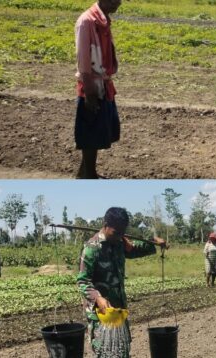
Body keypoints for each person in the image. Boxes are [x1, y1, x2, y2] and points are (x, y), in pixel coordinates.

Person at [77, 207, 166, 357]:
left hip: (119, 310)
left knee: (122, 349)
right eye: (116, 232)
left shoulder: (119, 243)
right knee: (105, 351)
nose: (119, 236)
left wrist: (154, 243)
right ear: (105, 225)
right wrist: (98, 297)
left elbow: (135, 249)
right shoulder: (92, 249)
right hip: (101, 314)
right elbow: (82, 281)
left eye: (122, 232)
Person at [74, 0, 122, 179]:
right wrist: (89, 93)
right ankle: (89, 175)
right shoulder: (86, 22)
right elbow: (83, 61)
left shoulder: (103, 20)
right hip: (92, 86)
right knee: (90, 133)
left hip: (103, 84)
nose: (119, 3)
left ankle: (84, 172)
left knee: (94, 133)